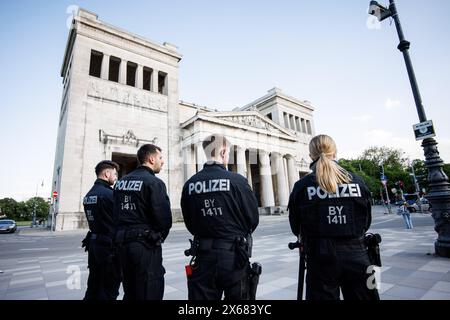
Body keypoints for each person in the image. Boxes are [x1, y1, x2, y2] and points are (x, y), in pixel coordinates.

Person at [288, 134, 380, 300]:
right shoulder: (358, 181)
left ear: (311, 156)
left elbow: (296, 226)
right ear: (335, 152)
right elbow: (366, 222)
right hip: (360, 255)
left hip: (320, 258)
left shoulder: (302, 186)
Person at [180, 134, 259, 300]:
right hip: (233, 257)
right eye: (228, 153)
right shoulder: (237, 181)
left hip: (203, 256)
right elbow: (252, 219)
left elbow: (189, 222)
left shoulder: (190, 184)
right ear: (223, 153)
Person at [113, 144, 172, 300]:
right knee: (149, 291)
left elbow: (115, 213)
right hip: (145, 245)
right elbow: (164, 220)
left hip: (122, 244)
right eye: (160, 158)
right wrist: (157, 237)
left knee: (130, 291)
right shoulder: (154, 183)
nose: (162, 161)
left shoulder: (120, 182)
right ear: (151, 159)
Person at [82, 160, 121, 300]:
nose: (116, 177)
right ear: (106, 173)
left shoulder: (88, 196)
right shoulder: (110, 194)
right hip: (109, 249)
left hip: (94, 247)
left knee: (93, 288)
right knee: (108, 290)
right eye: (115, 174)